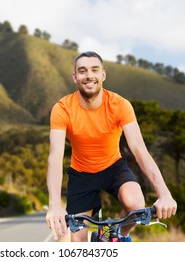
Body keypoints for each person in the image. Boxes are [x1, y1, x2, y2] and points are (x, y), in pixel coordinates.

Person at [45, 51, 177, 242]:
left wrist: (164, 194)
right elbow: (55, 157)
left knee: (136, 205)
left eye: (94, 70)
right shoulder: (62, 108)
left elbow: (139, 150)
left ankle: (117, 237)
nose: (89, 76)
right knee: (78, 241)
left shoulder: (120, 105)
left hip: (113, 168)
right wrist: (55, 205)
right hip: (81, 174)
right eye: (82, 71)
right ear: (75, 77)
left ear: (103, 75)